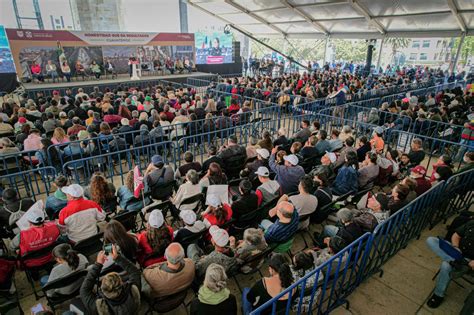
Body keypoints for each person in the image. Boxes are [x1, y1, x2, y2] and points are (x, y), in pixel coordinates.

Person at [80, 244, 141, 314]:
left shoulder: (99, 306)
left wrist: (98, 264)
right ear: (121, 282)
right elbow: (135, 271)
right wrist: (117, 257)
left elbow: (84, 290)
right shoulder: (133, 290)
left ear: (102, 289)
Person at [426, 221, 474, 308]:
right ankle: (458, 264)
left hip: (470, 261)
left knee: (446, 265)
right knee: (431, 240)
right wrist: (455, 247)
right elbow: (456, 235)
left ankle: (438, 295)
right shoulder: (472, 223)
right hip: (457, 252)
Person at [10, 204, 60, 268]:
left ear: (29, 222)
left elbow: (11, 247)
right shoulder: (55, 228)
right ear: (44, 220)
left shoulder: (22, 235)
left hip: (30, 262)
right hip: (50, 257)